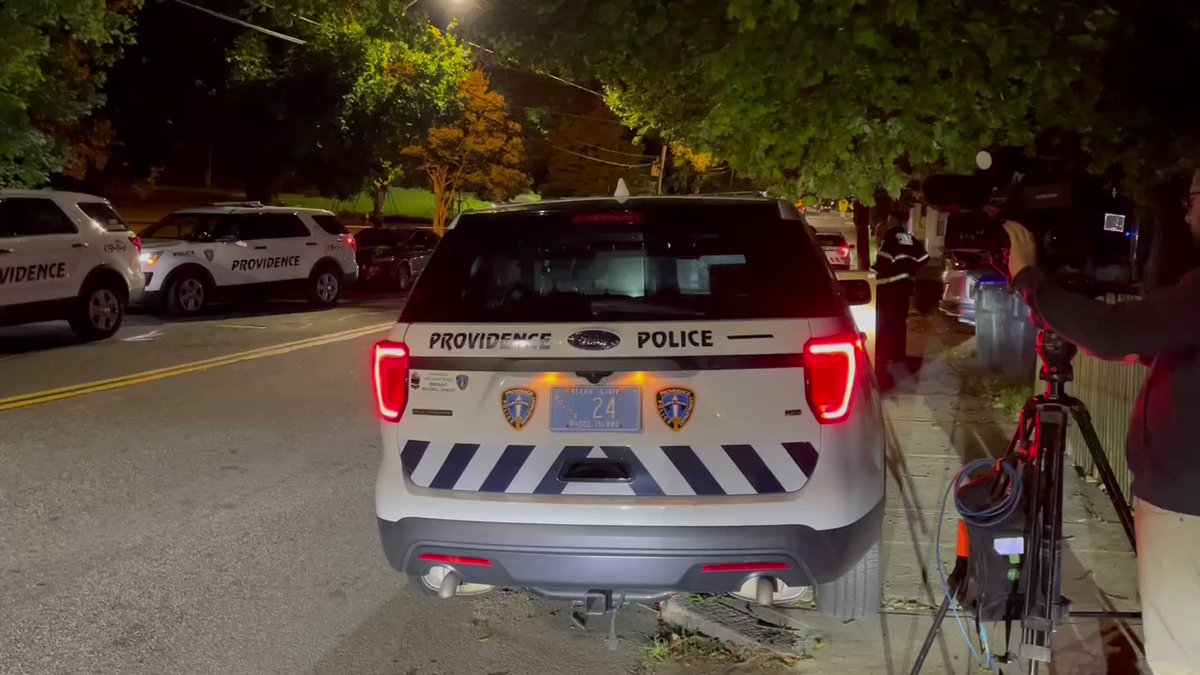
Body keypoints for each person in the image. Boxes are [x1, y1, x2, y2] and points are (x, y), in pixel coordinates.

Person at [1003, 169, 1200, 675]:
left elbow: (1114, 333)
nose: (1185, 210)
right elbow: (1148, 337)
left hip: (1187, 511)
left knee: (1182, 658)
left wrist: (1031, 282)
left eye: (1194, 196)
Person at [872, 210, 929, 378]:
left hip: (888, 287)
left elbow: (882, 264)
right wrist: (910, 267)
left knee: (887, 323)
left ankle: (888, 355)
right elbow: (924, 257)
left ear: (890, 223)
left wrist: (869, 274)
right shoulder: (909, 238)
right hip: (905, 288)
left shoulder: (889, 239)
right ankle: (898, 355)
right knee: (899, 322)